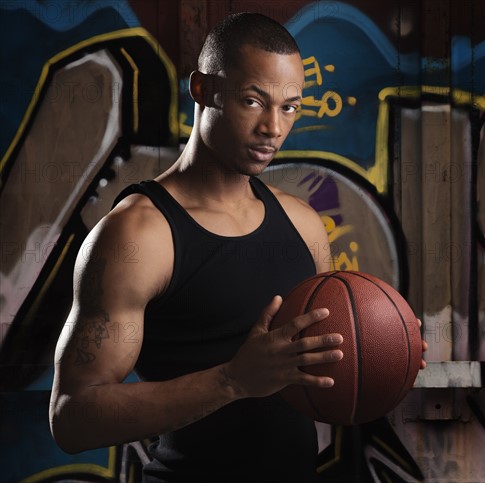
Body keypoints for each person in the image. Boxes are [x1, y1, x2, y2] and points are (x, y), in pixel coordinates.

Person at [50, 12, 426, 482]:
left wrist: (387, 351)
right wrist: (231, 380)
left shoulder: (303, 223)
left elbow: (323, 373)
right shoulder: (139, 234)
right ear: (203, 91)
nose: (273, 126)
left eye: (290, 107)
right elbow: (72, 416)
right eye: (254, 101)